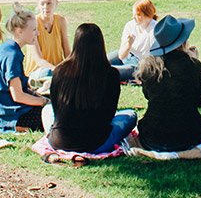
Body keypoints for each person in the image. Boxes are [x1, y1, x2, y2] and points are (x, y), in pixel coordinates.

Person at [47, 23, 136, 154]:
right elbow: (109, 114)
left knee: (46, 110)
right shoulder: (110, 74)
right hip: (96, 143)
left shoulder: (60, 70)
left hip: (59, 141)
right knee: (130, 115)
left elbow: (55, 108)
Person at [135, 15, 201, 152]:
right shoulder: (193, 65)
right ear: (183, 41)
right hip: (188, 136)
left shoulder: (149, 68)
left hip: (152, 135)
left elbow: (147, 96)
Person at [0, 3, 51, 133]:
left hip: (2, 111)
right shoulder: (13, 55)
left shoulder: (7, 48)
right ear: (19, 31)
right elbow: (18, 96)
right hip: (12, 115)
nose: (37, 33)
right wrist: (43, 101)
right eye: (33, 30)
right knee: (56, 112)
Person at [24, 0, 71, 80]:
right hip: (38, 73)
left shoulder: (61, 21)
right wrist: (57, 70)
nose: (45, 7)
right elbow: (39, 60)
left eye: (49, 3)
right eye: (42, 3)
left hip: (57, 72)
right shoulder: (32, 24)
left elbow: (67, 53)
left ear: (56, 4)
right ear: (38, 5)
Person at [109, 0, 159, 81]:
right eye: (133, 14)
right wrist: (128, 45)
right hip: (127, 56)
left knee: (110, 72)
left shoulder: (155, 30)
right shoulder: (130, 25)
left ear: (147, 14)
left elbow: (153, 58)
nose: (134, 18)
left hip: (139, 64)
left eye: (137, 15)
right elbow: (121, 55)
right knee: (101, 60)